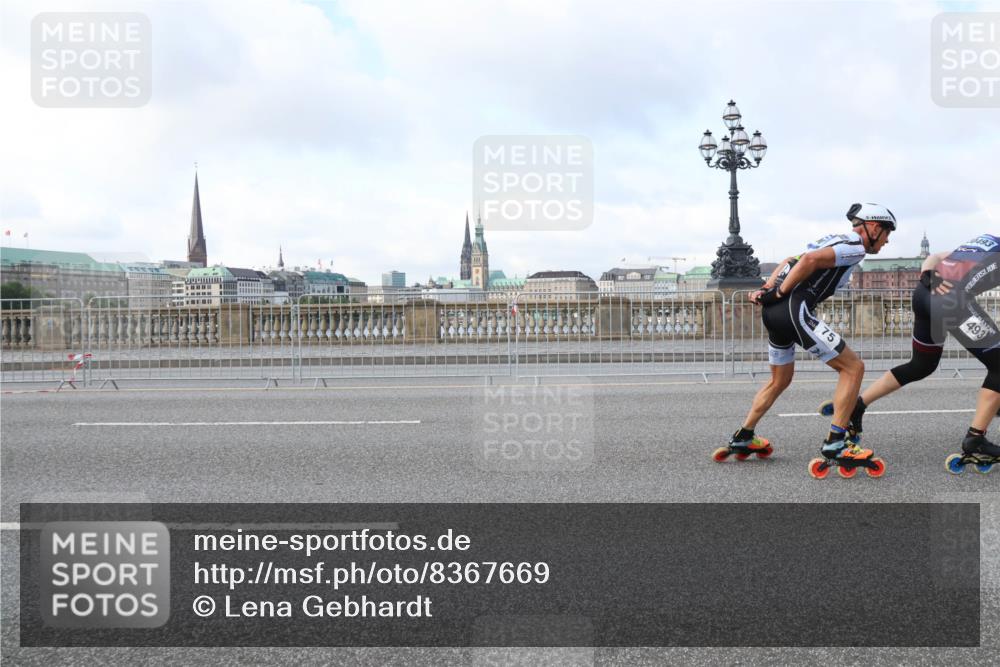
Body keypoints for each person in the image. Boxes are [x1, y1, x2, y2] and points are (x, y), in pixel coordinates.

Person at [714, 203, 895, 476]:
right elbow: (808, 262)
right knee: (853, 368)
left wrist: (767, 290)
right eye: (887, 233)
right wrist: (778, 292)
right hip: (792, 309)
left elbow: (789, 260)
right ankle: (836, 444)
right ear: (873, 227)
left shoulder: (835, 240)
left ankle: (744, 436)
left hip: (774, 314)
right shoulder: (855, 245)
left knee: (779, 380)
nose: (887, 240)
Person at [841, 233, 1000, 472]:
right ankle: (975, 439)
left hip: (924, 293)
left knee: (921, 364)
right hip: (951, 303)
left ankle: (858, 405)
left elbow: (935, 256)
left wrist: (926, 275)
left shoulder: (982, 241)